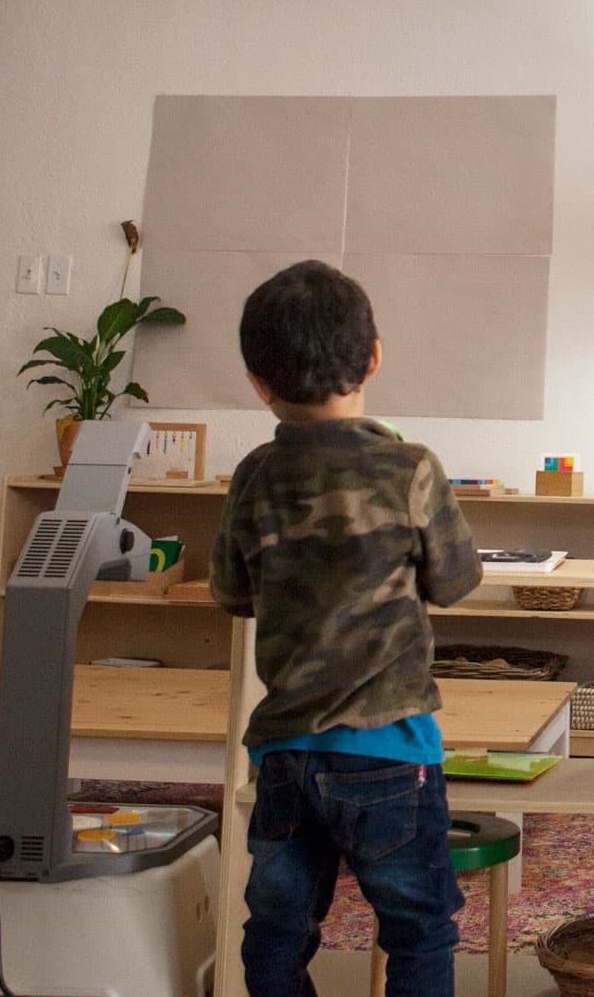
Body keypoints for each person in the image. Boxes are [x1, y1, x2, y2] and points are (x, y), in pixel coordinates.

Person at [211, 260, 482, 997]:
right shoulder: (409, 466)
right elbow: (457, 582)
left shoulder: (253, 475)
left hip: (286, 755)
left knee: (276, 932)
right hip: (391, 749)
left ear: (256, 377)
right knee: (419, 930)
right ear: (373, 356)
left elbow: (232, 593)